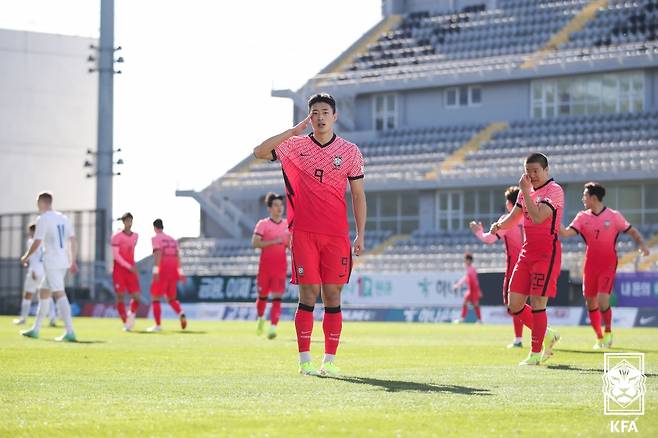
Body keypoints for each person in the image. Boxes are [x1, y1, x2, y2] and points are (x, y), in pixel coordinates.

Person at [253, 93, 367, 376]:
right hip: (303, 232)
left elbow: (358, 196)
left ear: (335, 116)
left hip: (337, 235)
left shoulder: (350, 151)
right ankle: (305, 362)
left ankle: (329, 362)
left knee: (332, 295)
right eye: (314, 112)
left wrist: (360, 233)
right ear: (309, 116)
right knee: (309, 293)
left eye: (325, 111)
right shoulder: (295, 145)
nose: (319, 116)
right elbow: (259, 151)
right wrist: (291, 131)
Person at [490, 153, 562, 366]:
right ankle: (548, 334)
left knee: (538, 302)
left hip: (546, 253)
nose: (531, 175)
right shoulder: (525, 193)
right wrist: (500, 225)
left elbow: (539, 216)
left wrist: (525, 191)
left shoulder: (555, 191)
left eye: (535, 171)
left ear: (546, 170)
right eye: (528, 171)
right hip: (527, 252)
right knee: (514, 305)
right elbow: (515, 217)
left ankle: (535, 354)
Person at [560, 182, 650, 349]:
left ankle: (608, 331)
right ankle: (599, 337)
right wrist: (554, 220)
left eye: (585, 196)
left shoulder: (614, 216)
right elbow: (566, 233)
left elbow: (632, 231)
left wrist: (642, 245)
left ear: (593, 198)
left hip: (608, 263)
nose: (583, 199)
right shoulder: (582, 217)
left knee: (602, 300)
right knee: (590, 303)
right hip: (590, 264)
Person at [470, 186, 525, 348]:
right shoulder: (530, 217)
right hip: (533, 264)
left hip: (515, 267)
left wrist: (479, 232)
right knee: (531, 304)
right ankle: (538, 335)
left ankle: (521, 338)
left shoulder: (508, 219)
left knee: (513, 304)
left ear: (510, 204)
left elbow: (489, 239)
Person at [20, 192, 77, 342]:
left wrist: (25, 257)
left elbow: (37, 241)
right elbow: (72, 240)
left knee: (59, 293)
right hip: (62, 261)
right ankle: (36, 329)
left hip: (52, 261)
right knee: (44, 292)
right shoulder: (63, 218)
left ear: (43, 202)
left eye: (38, 202)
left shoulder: (43, 218)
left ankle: (70, 331)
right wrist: (73, 260)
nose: (37, 205)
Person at [252, 192, 289, 339]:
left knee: (277, 298)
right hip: (265, 268)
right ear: (269, 208)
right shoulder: (263, 224)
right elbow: (254, 243)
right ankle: (261, 318)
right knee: (262, 297)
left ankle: (273, 327)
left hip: (280, 268)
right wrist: (274, 242)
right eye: (275, 205)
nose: (279, 208)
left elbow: (289, 245)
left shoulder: (287, 225)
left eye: (281, 205)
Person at [14, 224, 57, 327]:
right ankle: (52, 317)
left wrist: (32, 270)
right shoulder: (45, 241)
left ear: (34, 231)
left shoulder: (31, 241)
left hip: (35, 271)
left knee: (28, 294)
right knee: (47, 295)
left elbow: (33, 257)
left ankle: (23, 318)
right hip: (45, 270)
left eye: (30, 231)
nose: (29, 233)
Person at [148, 218, 186, 332]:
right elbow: (178, 257)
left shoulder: (155, 238)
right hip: (173, 271)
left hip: (162, 271)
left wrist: (156, 271)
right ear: (162, 227)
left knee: (155, 298)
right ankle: (181, 313)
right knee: (171, 299)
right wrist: (181, 273)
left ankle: (158, 325)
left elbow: (158, 254)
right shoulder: (173, 240)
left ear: (155, 228)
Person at [111, 212, 141, 331]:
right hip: (119, 270)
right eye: (127, 220)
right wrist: (129, 266)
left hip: (131, 270)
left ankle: (131, 316)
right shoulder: (116, 236)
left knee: (137, 297)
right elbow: (116, 256)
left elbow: (131, 253)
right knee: (120, 297)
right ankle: (125, 322)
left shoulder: (136, 236)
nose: (129, 223)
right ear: (123, 222)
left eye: (131, 220)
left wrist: (132, 267)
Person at [452, 253, 483, 324]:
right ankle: (462, 318)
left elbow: (475, 280)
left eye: (465, 260)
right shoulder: (469, 269)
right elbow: (465, 278)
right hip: (470, 290)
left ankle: (479, 320)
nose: (465, 262)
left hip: (473, 289)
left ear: (469, 261)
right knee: (465, 303)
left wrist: (478, 290)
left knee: (475, 304)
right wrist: (457, 285)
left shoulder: (471, 269)